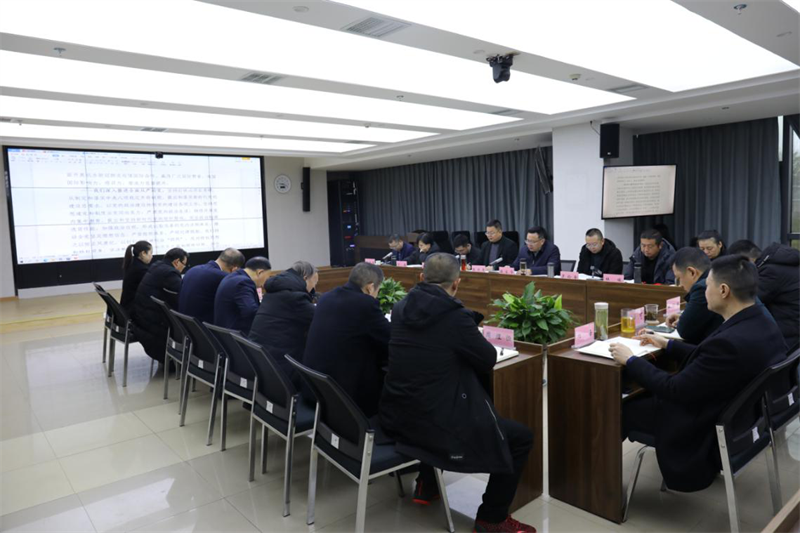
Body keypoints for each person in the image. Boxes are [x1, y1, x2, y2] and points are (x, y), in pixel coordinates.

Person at [379, 253, 536, 533]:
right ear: (457, 283)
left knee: (431, 393)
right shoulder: (454, 317)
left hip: (397, 413)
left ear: (421, 277)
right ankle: (492, 518)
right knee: (521, 438)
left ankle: (426, 484)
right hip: (434, 424)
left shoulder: (400, 308)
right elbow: (487, 358)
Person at [609, 255, 786, 492]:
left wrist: (630, 360)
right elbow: (712, 359)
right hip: (741, 417)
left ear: (723, 290)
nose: (703, 292)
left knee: (618, 408)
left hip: (699, 424)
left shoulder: (729, 343)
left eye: (707, 285)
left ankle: (601, 487)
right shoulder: (762, 320)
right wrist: (667, 344)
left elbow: (674, 389)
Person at [303, 262, 390, 417]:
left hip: (314, 385)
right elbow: (389, 339)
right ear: (370, 287)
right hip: (342, 396)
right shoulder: (365, 304)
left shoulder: (326, 297)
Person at [248, 261, 318, 387]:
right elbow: (320, 318)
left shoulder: (274, 292)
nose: (313, 289)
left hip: (261, 361)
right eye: (314, 284)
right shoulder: (295, 297)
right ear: (305, 278)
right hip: (281, 367)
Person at [728, 240, 800, 349]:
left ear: (745, 262)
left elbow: (748, 301)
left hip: (788, 332)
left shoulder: (770, 272)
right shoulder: (781, 263)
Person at [132, 247, 188, 363]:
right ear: (176, 262)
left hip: (142, 321)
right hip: (154, 331)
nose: (183, 268)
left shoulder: (156, 266)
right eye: (184, 264)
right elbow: (181, 298)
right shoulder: (170, 274)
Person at [666, 247, 723, 344]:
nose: (679, 285)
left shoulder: (703, 288)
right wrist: (683, 318)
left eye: (678, 278)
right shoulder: (718, 276)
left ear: (692, 272)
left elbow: (685, 331)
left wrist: (683, 321)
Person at [178, 248, 245, 325]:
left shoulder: (192, 270)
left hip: (185, 324)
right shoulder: (223, 277)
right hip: (204, 327)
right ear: (234, 269)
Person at [213, 256, 271, 335]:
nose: (265, 283)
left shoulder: (232, 276)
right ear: (260, 272)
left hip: (224, 332)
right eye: (267, 277)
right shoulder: (243, 282)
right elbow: (251, 312)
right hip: (236, 336)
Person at [120, 240, 153, 313]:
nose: (152, 256)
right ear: (143, 253)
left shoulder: (133, 264)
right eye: (151, 253)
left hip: (127, 306)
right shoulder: (141, 269)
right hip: (134, 310)